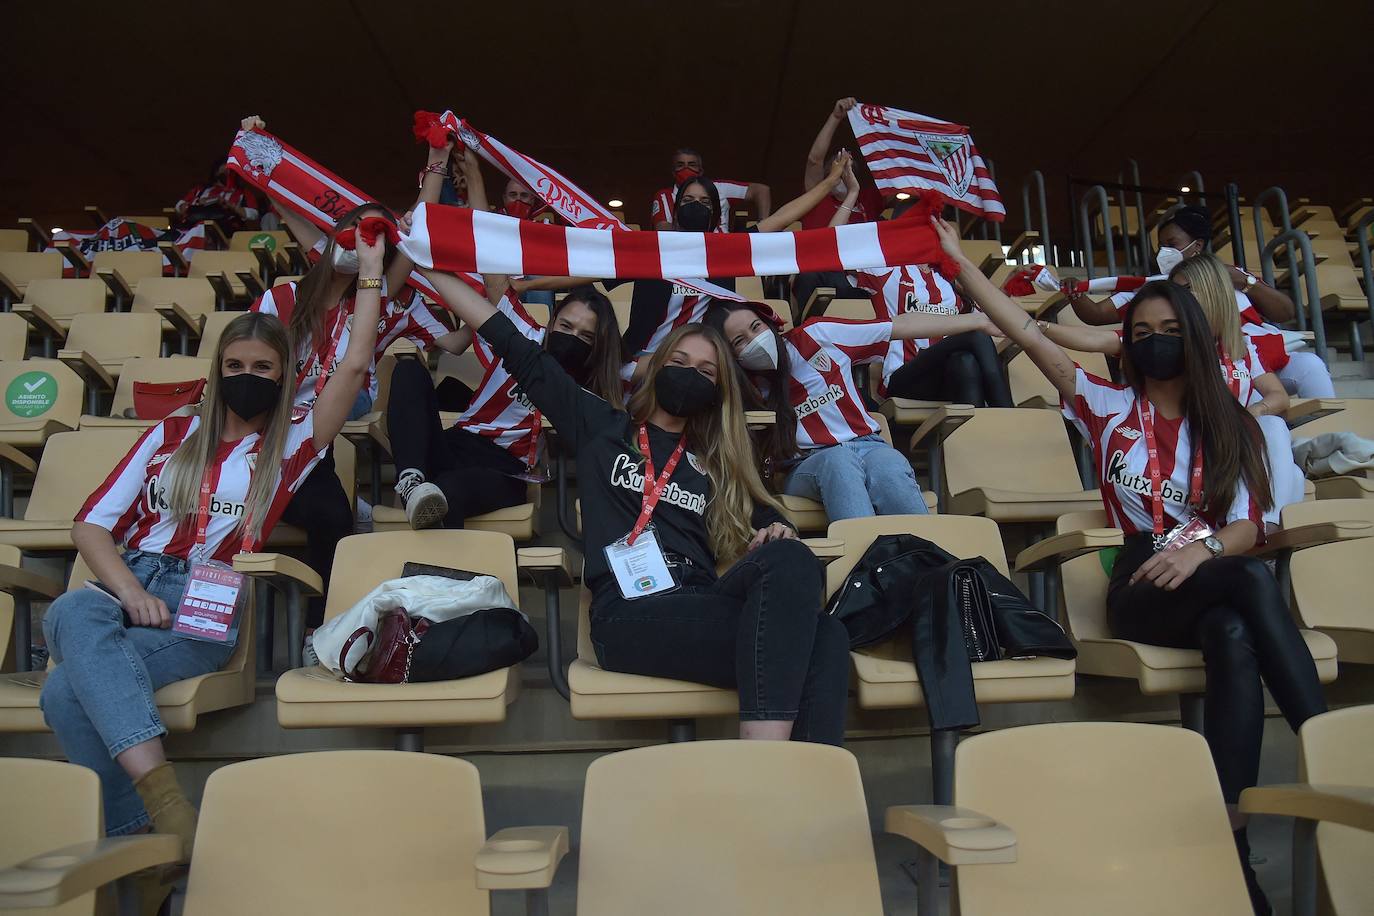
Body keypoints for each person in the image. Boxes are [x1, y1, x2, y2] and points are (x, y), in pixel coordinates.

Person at [938, 217, 1325, 916]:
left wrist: (1203, 549)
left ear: (1199, 339)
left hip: (1205, 571)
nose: (1152, 342)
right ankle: (1326, 746)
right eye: (1139, 332)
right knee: (1248, 580)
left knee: (1233, 635)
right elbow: (1029, 335)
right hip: (1140, 577)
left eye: (1166, 329)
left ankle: (1233, 853)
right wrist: (957, 263)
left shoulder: (1233, 422)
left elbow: (1249, 525)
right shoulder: (1108, 407)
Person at [39, 234, 382, 892]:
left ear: (282, 375)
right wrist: (132, 595)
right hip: (127, 580)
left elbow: (353, 367)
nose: (247, 378)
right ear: (217, 368)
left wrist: (369, 273)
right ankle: (165, 818)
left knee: (62, 690)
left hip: (210, 593)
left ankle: (148, 839)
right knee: (77, 605)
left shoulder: (293, 443)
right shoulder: (171, 434)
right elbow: (90, 526)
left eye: (262, 367)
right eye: (235, 365)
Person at [419, 267, 849, 745]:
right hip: (627, 609)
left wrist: (778, 530)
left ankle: (799, 778)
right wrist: (421, 263)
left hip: (700, 598)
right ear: (658, 364)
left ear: (719, 389)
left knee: (819, 618)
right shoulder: (603, 425)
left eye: (706, 372)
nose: (691, 375)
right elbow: (509, 341)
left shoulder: (718, 461)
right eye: (681, 362)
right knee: (816, 641)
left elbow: (767, 515)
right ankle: (769, 763)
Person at [240, 115, 469, 627]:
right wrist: (257, 147)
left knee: (328, 507)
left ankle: (321, 620)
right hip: (269, 419)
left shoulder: (375, 297)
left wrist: (436, 160)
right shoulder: (286, 294)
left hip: (329, 412)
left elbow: (420, 220)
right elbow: (282, 197)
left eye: (375, 238)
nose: (362, 242)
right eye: (354, 232)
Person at [1036, 254, 1305, 526]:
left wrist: (1248, 414)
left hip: (1229, 445)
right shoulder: (1166, 339)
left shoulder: (1242, 347)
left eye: (1184, 290)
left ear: (1213, 291)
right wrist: (1037, 328)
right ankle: (1258, 531)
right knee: (1279, 453)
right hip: (1182, 447)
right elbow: (1093, 339)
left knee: (1285, 456)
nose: (1176, 299)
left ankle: (1264, 530)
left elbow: (1278, 396)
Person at [705, 298, 992, 519]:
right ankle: (867, 572)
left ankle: (925, 570)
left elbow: (899, 326)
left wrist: (977, 322)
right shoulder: (738, 387)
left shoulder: (818, 335)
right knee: (840, 463)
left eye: (756, 327)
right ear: (730, 356)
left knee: (890, 467)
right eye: (740, 341)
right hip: (803, 465)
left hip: (868, 444)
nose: (755, 340)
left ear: (770, 323)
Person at [388, 282, 625, 528]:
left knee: (447, 490)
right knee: (408, 370)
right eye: (566, 326)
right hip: (459, 443)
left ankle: (429, 534)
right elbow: (494, 279)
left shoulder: (594, 380)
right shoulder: (525, 336)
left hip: (507, 470)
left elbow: (653, 365)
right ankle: (411, 482)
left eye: (586, 336)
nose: (572, 338)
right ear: (553, 321)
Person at [1066, 204, 1334, 398]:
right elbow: (1096, 315)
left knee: (1311, 365)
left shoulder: (1230, 275)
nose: (1164, 251)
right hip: (1218, 368)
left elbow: (1285, 311)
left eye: (1172, 243)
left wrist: (1246, 282)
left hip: (1264, 357)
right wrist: (1076, 295)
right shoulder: (1155, 287)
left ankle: (1327, 440)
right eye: (1160, 245)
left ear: (1197, 246)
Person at [621, 153, 860, 366]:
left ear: (715, 215)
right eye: (687, 201)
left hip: (704, 365)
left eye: (705, 203)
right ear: (675, 212)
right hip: (645, 362)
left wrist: (831, 181)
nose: (696, 206)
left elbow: (784, 216)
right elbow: (592, 267)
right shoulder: (652, 251)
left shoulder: (727, 251)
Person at [854, 198, 1012, 407]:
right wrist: (852, 194)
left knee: (965, 362)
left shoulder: (948, 278)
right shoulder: (884, 269)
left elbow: (992, 312)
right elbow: (833, 252)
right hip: (903, 378)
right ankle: (1007, 412)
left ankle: (979, 435)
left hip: (945, 376)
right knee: (976, 332)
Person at [792, 97, 889, 309]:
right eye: (838, 170)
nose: (844, 173)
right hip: (823, 273)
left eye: (849, 170)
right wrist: (836, 117)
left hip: (864, 278)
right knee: (810, 272)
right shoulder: (817, 198)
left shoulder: (868, 200)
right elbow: (814, 161)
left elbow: (899, 183)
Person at [649, 147, 771, 232]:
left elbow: (761, 190)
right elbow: (662, 229)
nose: (686, 169)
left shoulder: (720, 188)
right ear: (673, 172)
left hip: (721, 245)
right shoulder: (664, 195)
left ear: (701, 171)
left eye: (692, 165)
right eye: (680, 165)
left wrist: (762, 222)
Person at [172, 158, 263, 234]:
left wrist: (232, 206)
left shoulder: (243, 192)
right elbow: (179, 206)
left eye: (230, 172)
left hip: (226, 228)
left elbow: (253, 214)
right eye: (223, 173)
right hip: (194, 224)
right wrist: (197, 203)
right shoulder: (201, 189)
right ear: (216, 173)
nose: (227, 175)